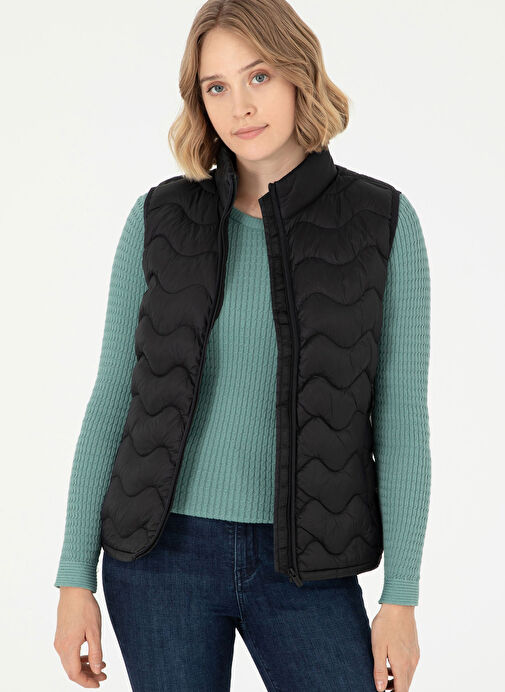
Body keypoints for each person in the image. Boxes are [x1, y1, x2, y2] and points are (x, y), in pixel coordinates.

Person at [53, 1, 431, 690]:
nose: (240, 107)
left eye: (258, 76)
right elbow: (113, 399)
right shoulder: (160, 218)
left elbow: (401, 421)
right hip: (160, 557)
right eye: (216, 86)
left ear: (297, 73)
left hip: (308, 566)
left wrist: (399, 596)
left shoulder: (381, 222)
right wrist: (74, 577)